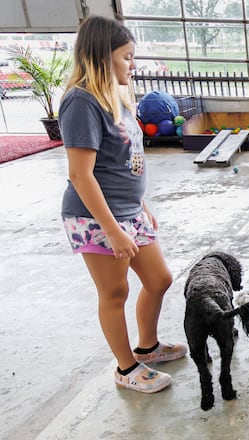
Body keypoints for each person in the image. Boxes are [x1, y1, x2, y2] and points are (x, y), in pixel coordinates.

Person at [59, 16, 186, 394]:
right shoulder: (81, 103)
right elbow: (81, 175)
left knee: (159, 279)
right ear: (102, 56)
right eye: (127, 57)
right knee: (115, 293)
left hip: (129, 211)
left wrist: (140, 202)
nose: (133, 64)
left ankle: (147, 347)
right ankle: (126, 368)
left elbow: (121, 160)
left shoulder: (114, 95)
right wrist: (112, 230)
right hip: (96, 217)